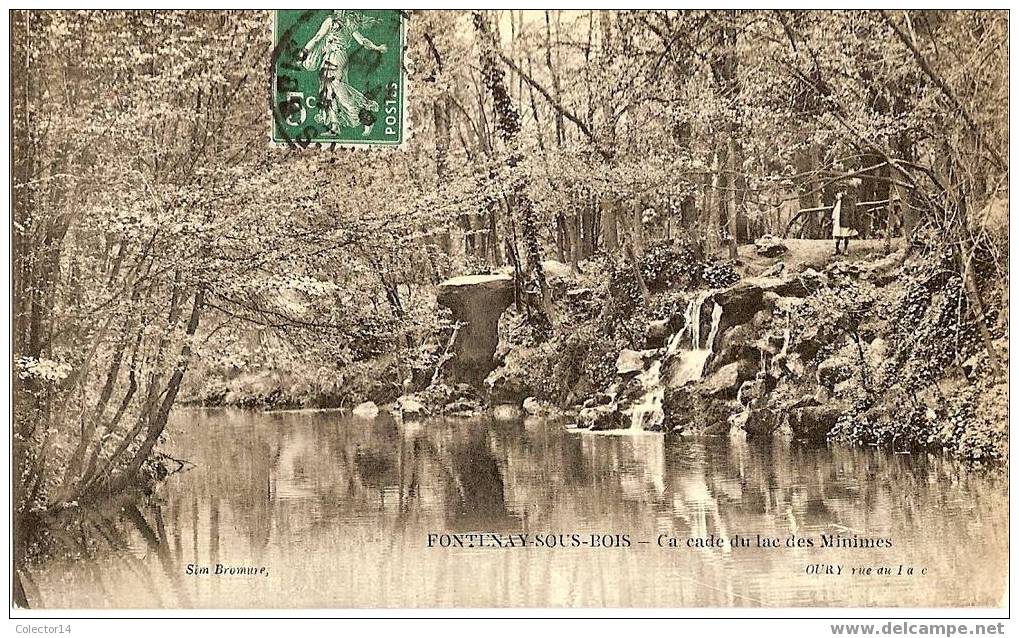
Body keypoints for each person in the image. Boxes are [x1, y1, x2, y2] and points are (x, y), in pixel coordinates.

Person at [301, 10, 387, 135]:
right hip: (330, 57)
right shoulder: (338, 21)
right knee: (327, 89)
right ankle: (335, 126)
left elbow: (317, 38)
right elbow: (362, 40)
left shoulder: (344, 22)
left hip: (337, 57)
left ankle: (367, 119)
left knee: (338, 88)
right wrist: (376, 47)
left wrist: (303, 53)